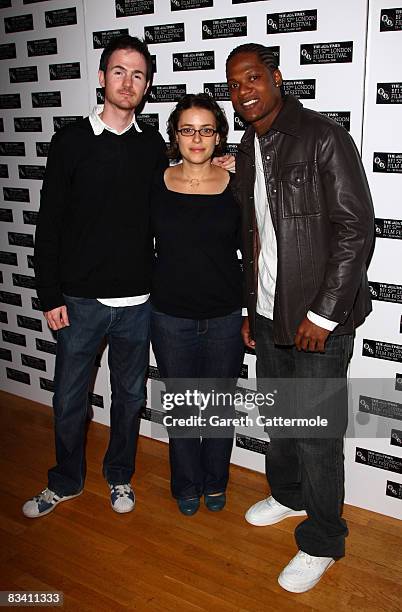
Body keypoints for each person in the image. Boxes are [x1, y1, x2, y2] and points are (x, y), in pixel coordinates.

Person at [226, 43, 374, 592]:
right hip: (268, 315)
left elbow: (356, 230)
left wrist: (325, 314)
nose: (244, 92)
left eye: (253, 78)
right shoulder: (248, 145)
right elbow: (257, 238)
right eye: (235, 84)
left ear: (276, 77)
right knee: (282, 421)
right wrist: (253, 309)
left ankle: (324, 538)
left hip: (317, 320)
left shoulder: (321, 136)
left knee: (315, 434)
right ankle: (289, 496)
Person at [23, 35, 168, 518]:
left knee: (128, 398)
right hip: (79, 301)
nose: (129, 82)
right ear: (103, 77)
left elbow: (172, 204)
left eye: (139, 74)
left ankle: (120, 476)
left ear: (147, 86)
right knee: (68, 399)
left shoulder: (152, 145)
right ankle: (65, 481)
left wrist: (217, 166)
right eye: (120, 71)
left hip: (138, 302)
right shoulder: (70, 142)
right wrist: (49, 295)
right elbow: (49, 224)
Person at [150, 93, 244, 516]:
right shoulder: (155, 181)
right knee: (185, 410)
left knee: (219, 409)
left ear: (219, 136)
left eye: (206, 129)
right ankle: (186, 485)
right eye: (188, 128)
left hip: (224, 316)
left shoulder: (238, 183)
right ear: (175, 135)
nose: (197, 137)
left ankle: (216, 482)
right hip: (170, 316)